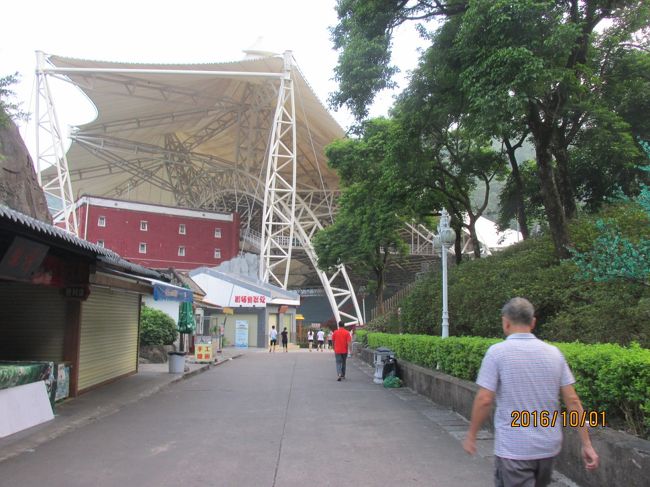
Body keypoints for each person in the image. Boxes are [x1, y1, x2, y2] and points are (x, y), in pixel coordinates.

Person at [463, 297, 599, 487]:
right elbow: (573, 401)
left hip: (514, 449)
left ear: (506, 322)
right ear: (533, 322)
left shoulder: (497, 353)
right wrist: (587, 444)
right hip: (548, 447)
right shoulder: (554, 353)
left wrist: (471, 435)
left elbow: (485, 399)